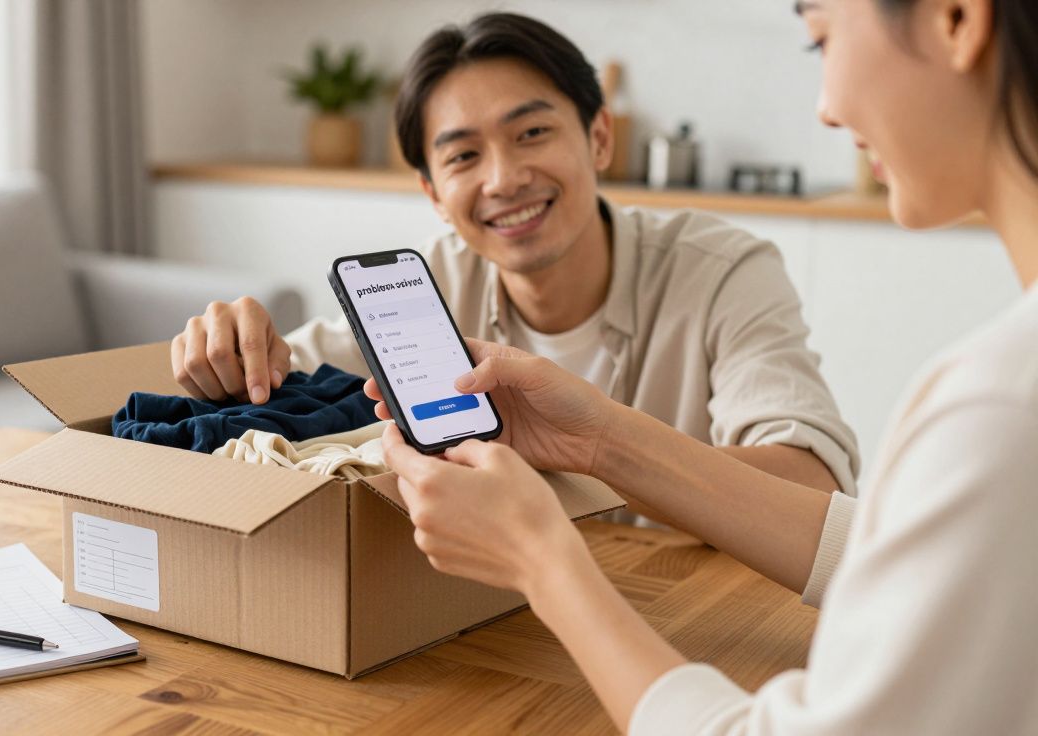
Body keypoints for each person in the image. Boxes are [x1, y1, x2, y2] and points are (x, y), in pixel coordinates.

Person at [366, 0, 1038, 732]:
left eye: (821, 41)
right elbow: (898, 563)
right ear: (431, 190)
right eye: (463, 155)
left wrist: (541, 557)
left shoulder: (996, 407)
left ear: (957, 19)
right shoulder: (999, 396)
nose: (825, 109)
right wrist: (601, 443)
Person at [169, 13, 861, 517]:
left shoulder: (723, 271)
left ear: (598, 137)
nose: (503, 179)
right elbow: (291, 375)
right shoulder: (426, 284)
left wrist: (595, 453)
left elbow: (814, 485)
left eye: (532, 132)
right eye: (464, 156)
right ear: (433, 194)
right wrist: (237, 347)